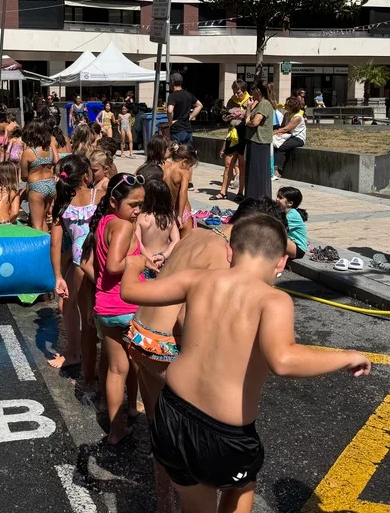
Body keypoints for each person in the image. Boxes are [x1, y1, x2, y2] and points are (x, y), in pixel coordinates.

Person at [121, 214, 371, 513]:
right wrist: (347, 356)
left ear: (230, 252)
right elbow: (283, 361)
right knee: (242, 485)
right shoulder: (273, 300)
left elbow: (130, 291)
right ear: (281, 263)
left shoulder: (198, 279)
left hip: (172, 413)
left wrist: (134, 264)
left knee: (196, 504)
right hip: (224, 433)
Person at [83, 173, 146, 446]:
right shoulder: (123, 226)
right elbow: (113, 266)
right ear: (113, 201)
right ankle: (137, 412)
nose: (138, 210)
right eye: (133, 204)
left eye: (141, 204)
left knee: (117, 369)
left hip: (106, 308)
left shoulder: (104, 223)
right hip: (128, 306)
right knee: (141, 366)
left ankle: (116, 429)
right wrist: (141, 261)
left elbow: (95, 266)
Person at [49, 154, 98, 381]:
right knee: (90, 309)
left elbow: (55, 243)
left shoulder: (61, 203)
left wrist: (57, 275)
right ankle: (85, 354)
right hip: (97, 255)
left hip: (79, 259)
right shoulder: (99, 196)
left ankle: (76, 352)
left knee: (70, 306)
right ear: (86, 175)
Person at [212, 80, 250, 201]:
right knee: (228, 164)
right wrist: (227, 117)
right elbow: (225, 117)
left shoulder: (250, 100)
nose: (236, 95)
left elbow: (252, 118)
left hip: (243, 133)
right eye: (234, 92)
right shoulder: (231, 101)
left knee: (242, 165)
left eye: (238, 93)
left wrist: (243, 115)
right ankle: (223, 192)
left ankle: (240, 192)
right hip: (232, 133)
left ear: (244, 91)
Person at [20, 121, 57, 232]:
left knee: (36, 224)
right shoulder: (49, 149)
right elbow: (56, 161)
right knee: (44, 220)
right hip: (51, 184)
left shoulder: (28, 152)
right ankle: (48, 242)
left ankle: (41, 243)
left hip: (37, 187)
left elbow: (24, 176)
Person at [134, 179, 180, 270]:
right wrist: (163, 256)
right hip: (164, 260)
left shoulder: (140, 217)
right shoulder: (169, 217)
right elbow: (176, 240)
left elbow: (137, 242)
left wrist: (149, 258)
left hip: (146, 259)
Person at [244, 80, 274, 200]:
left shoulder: (264, 104)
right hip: (254, 141)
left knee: (257, 173)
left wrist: (247, 121)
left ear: (258, 90)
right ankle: (252, 197)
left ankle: (257, 198)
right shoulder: (259, 104)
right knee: (252, 172)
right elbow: (248, 117)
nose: (251, 92)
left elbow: (255, 122)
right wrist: (249, 107)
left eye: (253, 89)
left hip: (260, 142)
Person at [164, 144, 197, 235]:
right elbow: (183, 192)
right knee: (186, 243)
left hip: (170, 213)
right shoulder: (184, 172)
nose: (189, 169)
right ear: (184, 161)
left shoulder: (165, 171)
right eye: (190, 166)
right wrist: (180, 215)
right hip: (183, 212)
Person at [273, 97, 307, 179]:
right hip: (288, 136)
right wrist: (278, 132)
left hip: (298, 138)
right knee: (274, 144)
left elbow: (286, 128)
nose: (285, 106)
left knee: (282, 147)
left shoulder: (297, 117)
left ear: (292, 106)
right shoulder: (286, 114)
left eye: (287, 104)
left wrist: (273, 133)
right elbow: (282, 127)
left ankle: (277, 170)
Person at [166, 73, 203, 146]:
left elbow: (170, 110)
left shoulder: (172, 96)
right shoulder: (188, 94)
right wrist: (190, 117)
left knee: (176, 152)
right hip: (188, 130)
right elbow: (200, 105)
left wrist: (170, 122)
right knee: (187, 152)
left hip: (177, 130)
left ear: (172, 82)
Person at [277, 186, 308, 261]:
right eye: (277, 196)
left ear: (290, 203)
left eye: (280, 198)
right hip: (291, 244)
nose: (277, 199)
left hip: (298, 248)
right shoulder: (284, 213)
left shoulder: (292, 214)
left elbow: (277, 229)